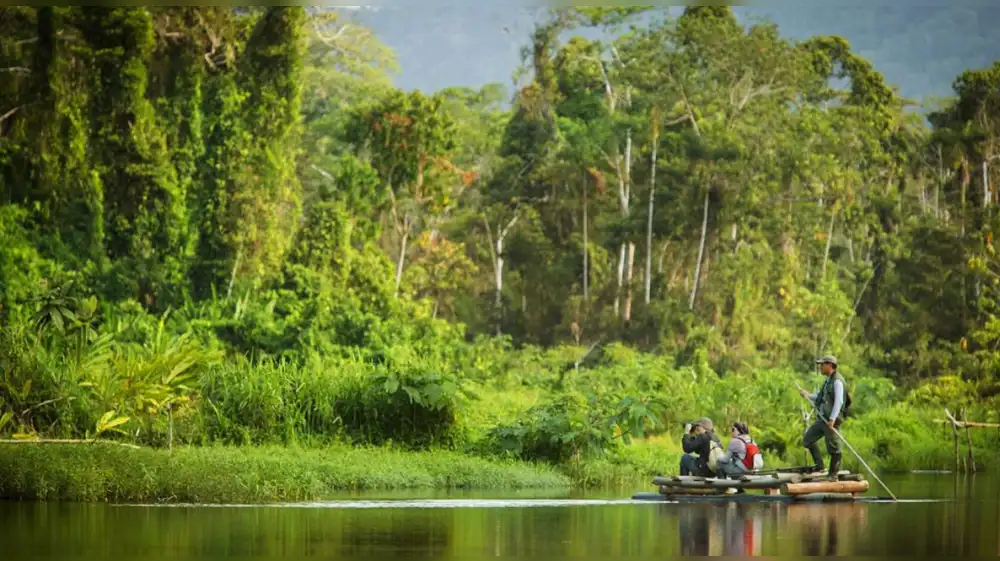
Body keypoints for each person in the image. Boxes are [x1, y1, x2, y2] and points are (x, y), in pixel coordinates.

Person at [798, 355, 847, 478]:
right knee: (807, 440)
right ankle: (820, 466)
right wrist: (808, 395)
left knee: (834, 447)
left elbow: (839, 401)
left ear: (830, 365)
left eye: (822, 364)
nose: (820, 367)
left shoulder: (837, 381)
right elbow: (821, 397)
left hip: (831, 420)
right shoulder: (828, 380)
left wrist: (832, 418)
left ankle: (833, 474)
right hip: (822, 419)